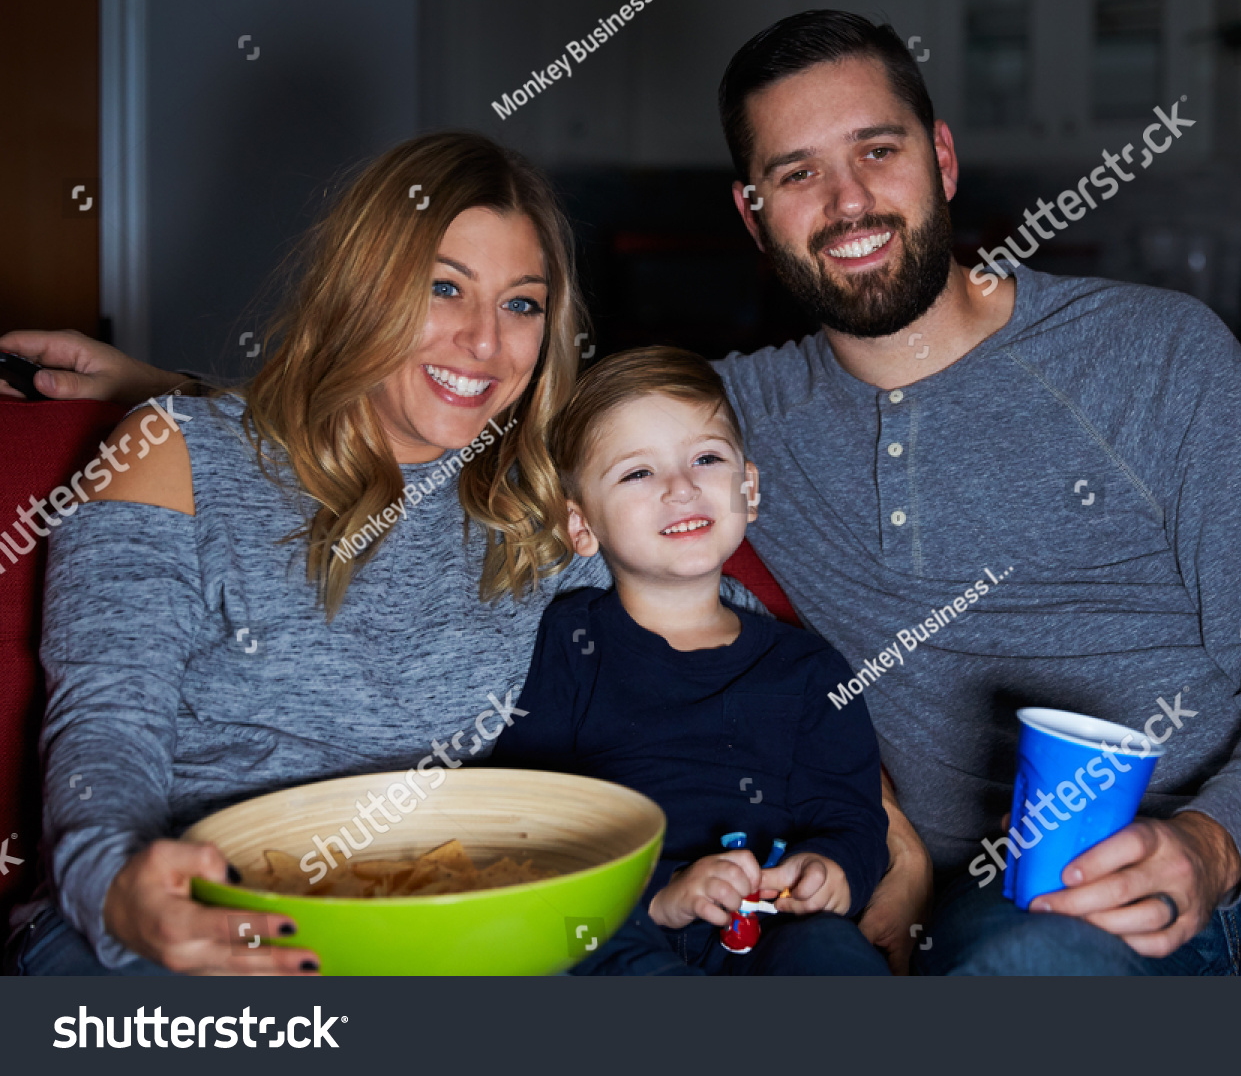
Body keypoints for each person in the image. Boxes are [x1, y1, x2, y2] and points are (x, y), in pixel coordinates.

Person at [13, 10, 1241, 976]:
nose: (847, 200)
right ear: (753, 211)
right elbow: (458, 430)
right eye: (797, 172)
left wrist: (1214, 842)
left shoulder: (1157, 351)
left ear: (941, 155)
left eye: (874, 152)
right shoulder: (734, 416)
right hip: (1038, 916)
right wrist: (182, 399)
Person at [1, 132, 766, 976]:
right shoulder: (172, 454)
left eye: (521, 304)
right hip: (201, 923)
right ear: (364, 288)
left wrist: (864, 810)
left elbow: (739, 654)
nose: (485, 342)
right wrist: (119, 889)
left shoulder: (548, 503)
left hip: (455, 932)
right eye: (445, 289)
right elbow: (105, 728)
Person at [494, 345, 889, 975]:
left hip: (771, 932)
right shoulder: (571, 641)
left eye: (706, 458)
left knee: (834, 954)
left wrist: (834, 868)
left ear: (748, 489)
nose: (681, 487)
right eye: (638, 473)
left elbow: (850, 815)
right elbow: (529, 822)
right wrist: (659, 898)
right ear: (581, 526)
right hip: (623, 925)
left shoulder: (810, 669)